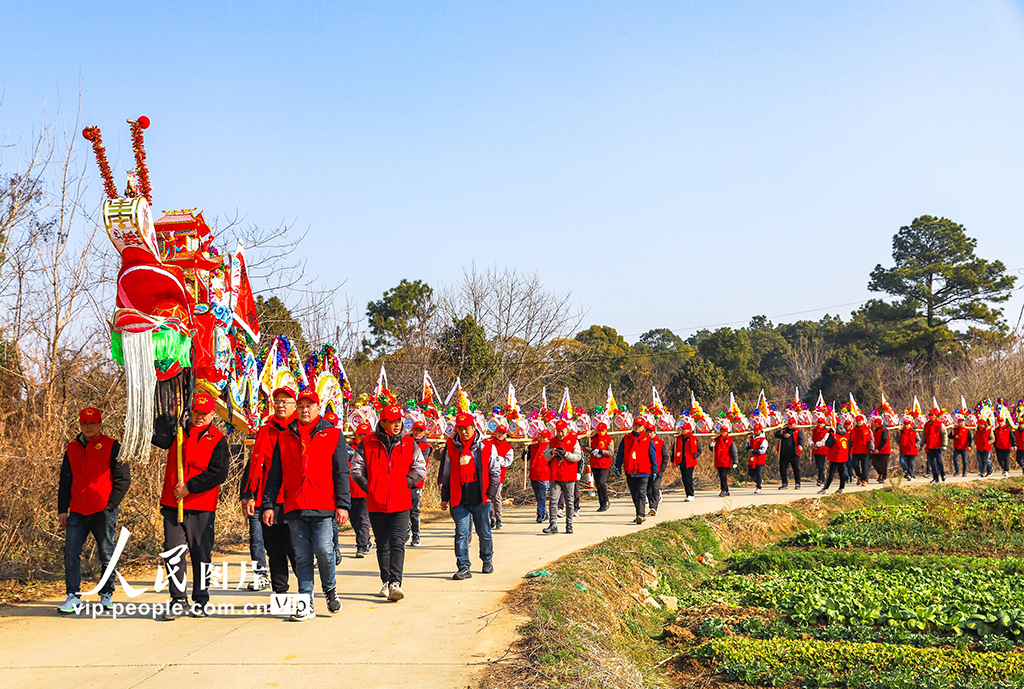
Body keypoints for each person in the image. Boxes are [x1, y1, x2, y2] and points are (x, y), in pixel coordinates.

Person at [262, 390, 350, 621]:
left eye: (309, 405)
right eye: (300, 405)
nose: (304, 410)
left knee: (323, 550)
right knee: (301, 557)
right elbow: (274, 475)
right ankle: (305, 603)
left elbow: (341, 472)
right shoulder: (285, 437)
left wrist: (343, 504)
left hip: (322, 504)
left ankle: (330, 589)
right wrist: (269, 504)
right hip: (295, 505)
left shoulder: (332, 434)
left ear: (318, 408)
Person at [154, 393, 229, 620]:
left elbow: (218, 473)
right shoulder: (177, 432)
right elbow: (158, 438)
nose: (199, 417)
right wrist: (167, 415)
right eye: (196, 412)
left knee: (200, 553)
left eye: (204, 414)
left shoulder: (218, 440)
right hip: (172, 503)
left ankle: (201, 598)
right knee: (173, 551)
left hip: (201, 506)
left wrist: (190, 487)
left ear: (212, 415)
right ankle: (178, 599)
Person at [57, 407, 130, 614]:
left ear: (99, 424)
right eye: (85, 423)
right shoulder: (71, 448)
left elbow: (123, 479)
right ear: (80, 424)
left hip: (103, 510)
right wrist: (63, 509)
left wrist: (111, 504)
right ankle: (73, 595)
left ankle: (106, 594)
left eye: (92, 423)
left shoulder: (112, 446)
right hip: (78, 510)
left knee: (107, 554)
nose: (88, 427)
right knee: (71, 552)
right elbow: (65, 480)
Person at [351, 404, 426, 602]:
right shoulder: (367, 442)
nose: (397, 425)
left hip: (401, 502)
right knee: (382, 543)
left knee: (397, 542)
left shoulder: (409, 443)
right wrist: (370, 487)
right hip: (376, 502)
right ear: (382, 422)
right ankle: (385, 580)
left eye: (399, 421)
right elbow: (356, 469)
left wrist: (405, 483)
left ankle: (395, 583)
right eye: (392, 421)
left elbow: (420, 468)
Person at [241, 387, 297, 595]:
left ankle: (305, 595)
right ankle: (280, 595)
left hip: (293, 501)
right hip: (267, 501)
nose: (281, 405)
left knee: (296, 551)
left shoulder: (299, 429)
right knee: (274, 551)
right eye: (277, 401)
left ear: (294, 405)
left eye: (286, 401)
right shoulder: (266, 431)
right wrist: (249, 495)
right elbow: (255, 465)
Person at [440, 412, 499, 579]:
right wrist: (445, 497)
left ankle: (487, 559)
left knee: (484, 531)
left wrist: (490, 495)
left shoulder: (486, 446)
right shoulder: (452, 446)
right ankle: (463, 566)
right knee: (461, 533)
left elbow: (494, 472)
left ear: (474, 427)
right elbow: (447, 472)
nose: (464, 432)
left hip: (481, 497)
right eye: (460, 429)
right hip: (459, 497)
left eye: (467, 428)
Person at [615, 418, 658, 524]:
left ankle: (641, 514)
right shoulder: (626, 438)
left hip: (643, 471)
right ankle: (638, 513)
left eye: (639, 425)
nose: (637, 427)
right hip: (630, 470)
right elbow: (620, 453)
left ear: (643, 427)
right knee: (634, 494)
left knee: (641, 493)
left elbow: (652, 455)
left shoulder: (647, 439)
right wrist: (618, 466)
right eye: (635, 425)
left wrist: (654, 469)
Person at [543, 420, 582, 534]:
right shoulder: (552, 441)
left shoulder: (573, 441)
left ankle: (569, 525)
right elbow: (545, 456)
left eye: (562, 431)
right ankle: (553, 524)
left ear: (567, 430)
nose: (560, 434)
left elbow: (578, 457)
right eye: (558, 431)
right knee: (553, 501)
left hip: (569, 476)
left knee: (569, 501)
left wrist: (566, 454)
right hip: (555, 475)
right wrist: (551, 452)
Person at [348, 423, 373, 557]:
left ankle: (362, 546)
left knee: (363, 519)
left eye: (365, 434)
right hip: (350, 491)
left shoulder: (370, 449)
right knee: (354, 520)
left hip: (364, 491)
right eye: (360, 434)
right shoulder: (348, 448)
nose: (362, 437)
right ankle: (366, 540)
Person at [487, 422, 515, 530]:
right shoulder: (490, 443)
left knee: (496, 496)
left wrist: (497, 459)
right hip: (487, 474)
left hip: (499, 475)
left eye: (502, 433)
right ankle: (492, 519)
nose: (500, 435)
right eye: (499, 432)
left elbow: (507, 462)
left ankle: (498, 519)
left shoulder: (508, 448)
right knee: (488, 497)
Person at [409, 421, 433, 546]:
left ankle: (416, 535)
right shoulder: (405, 442)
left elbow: (416, 462)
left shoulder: (425, 447)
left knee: (413, 509)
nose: (418, 433)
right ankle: (406, 530)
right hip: (402, 480)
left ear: (424, 432)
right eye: (416, 430)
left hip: (416, 481)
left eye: (420, 431)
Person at [816, 421, 850, 495]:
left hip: (835, 456)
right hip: (843, 456)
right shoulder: (846, 435)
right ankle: (842, 488)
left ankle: (826, 488)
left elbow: (828, 444)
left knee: (831, 473)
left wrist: (829, 434)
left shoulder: (833, 435)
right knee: (842, 472)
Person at [672, 419, 700, 502]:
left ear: (688, 430)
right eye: (682, 429)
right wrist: (673, 460)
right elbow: (674, 450)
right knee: (684, 478)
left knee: (688, 478)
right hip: (681, 460)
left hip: (690, 461)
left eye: (684, 429)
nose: (683, 430)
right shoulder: (678, 439)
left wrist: (695, 456)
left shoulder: (693, 439)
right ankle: (687, 494)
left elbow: (699, 450)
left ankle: (690, 494)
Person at [527, 431, 552, 523]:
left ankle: (540, 514)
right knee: (538, 496)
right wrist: (525, 452)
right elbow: (526, 458)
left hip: (544, 475)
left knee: (542, 495)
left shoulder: (550, 448)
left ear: (548, 439)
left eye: (544, 437)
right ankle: (544, 513)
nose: (541, 438)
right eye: (540, 436)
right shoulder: (532, 447)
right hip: (534, 474)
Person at [588, 423, 614, 511]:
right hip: (594, 463)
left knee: (601, 482)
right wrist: (592, 450)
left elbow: (610, 452)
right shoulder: (592, 438)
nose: (600, 432)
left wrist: (600, 451)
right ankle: (601, 503)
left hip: (604, 464)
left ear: (605, 430)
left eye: (602, 430)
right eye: (598, 430)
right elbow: (585, 447)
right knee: (598, 484)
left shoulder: (609, 440)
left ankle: (606, 500)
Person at [773, 415, 803, 490]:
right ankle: (784, 483)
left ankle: (798, 483)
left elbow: (801, 440)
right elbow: (776, 435)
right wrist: (783, 435)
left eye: (792, 424)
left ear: (794, 424)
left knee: (796, 468)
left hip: (794, 453)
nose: (790, 425)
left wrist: (801, 445)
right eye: (789, 424)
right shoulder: (783, 430)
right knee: (782, 468)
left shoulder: (798, 431)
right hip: (784, 453)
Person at [646, 422, 669, 516]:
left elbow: (665, 456)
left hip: (658, 470)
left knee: (655, 488)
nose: (649, 434)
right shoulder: (643, 442)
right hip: (646, 470)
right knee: (648, 490)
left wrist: (662, 469)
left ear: (655, 433)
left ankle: (653, 507)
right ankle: (652, 504)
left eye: (651, 432)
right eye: (647, 432)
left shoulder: (660, 443)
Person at [713, 420, 738, 497]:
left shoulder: (730, 441)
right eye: (721, 431)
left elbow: (734, 451)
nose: (722, 433)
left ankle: (724, 490)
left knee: (724, 476)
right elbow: (714, 450)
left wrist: (735, 462)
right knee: (721, 476)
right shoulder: (716, 439)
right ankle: (726, 490)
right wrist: (711, 445)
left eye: (724, 431)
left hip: (726, 461)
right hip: (718, 461)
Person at [848, 414, 874, 487]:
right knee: (854, 464)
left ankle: (865, 480)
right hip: (856, 450)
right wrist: (848, 448)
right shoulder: (853, 430)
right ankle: (859, 476)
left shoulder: (867, 430)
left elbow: (870, 440)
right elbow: (850, 441)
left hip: (865, 451)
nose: (858, 422)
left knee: (865, 466)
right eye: (857, 421)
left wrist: (871, 449)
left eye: (860, 421)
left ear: (863, 421)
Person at [923, 408, 947, 483]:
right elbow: (924, 435)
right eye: (929, 415)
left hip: (938, 446)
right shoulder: (926, 425)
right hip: (930, 446)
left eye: (932, 415)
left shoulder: (940, 424)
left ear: (936, 416)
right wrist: (921, 444)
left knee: (939, 461)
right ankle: (935, 477)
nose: (931, 416)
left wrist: (944, 444)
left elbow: (944, 434)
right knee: (932, 463)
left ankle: (942, 474)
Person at [746, 423, 767, 494]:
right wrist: (749, 449)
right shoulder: (751, 438)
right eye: (754, 430)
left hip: (759, 459)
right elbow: (747, 445)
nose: (755, 432)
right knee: (751, 472)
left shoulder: (763, 440)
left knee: (758, 472)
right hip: (752, 458)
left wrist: (754, 451)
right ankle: (758, 480)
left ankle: (758, 486)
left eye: (757, 430)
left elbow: (762, 450)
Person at [898, 416, 920, 481]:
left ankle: (910, 474)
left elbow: (918, 440)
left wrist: (916, 445)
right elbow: (899, 440)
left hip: (912, 450)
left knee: (911, 463)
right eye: (905, 424)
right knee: (906, 462)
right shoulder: (902, 432)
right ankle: (909, 473)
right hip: (905, 450)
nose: (906, 426)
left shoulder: (914, 432)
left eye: (907, 424)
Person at [870, 415, 891, 483]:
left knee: (883, 465)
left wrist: (879, 448)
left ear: (878, 423)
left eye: (875, 423)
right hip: (876, 450)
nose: (873, 424)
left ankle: (883, 477)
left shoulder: (883, 430)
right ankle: (880, 473)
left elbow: (884, 440)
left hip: (883, 450)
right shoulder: (875, 430)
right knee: (874, 463)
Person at [810, 415, 830, 485]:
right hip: (815, 450)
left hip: (823, 450)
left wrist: (816, 445)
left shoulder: (826, 431)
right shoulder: (814, 430)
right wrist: (812, 444)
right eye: (819, 422)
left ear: (824, 424)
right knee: (818, 465)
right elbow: (810, 438)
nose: (820, 424)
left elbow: (824, 441)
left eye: (821, 423)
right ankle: (823, 478)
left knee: (821, 465)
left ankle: (820, 479)